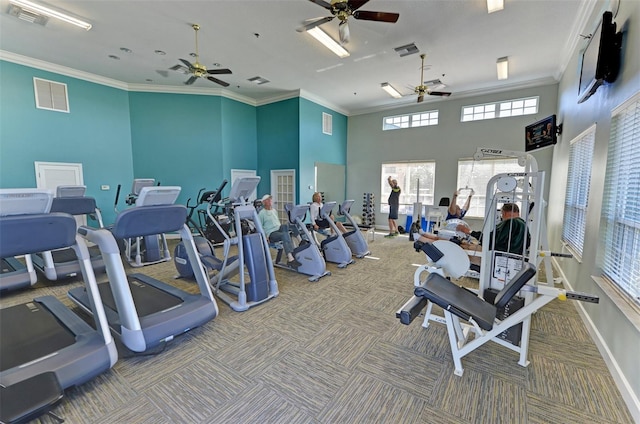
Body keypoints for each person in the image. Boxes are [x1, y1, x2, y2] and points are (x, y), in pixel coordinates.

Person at [257, 194, 302, 268]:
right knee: (285, 235)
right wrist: (265, 236)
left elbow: (277, 222)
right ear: (264, 203)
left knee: (289, 226)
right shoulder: (262, 213)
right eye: (268, 200)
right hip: (271, 233)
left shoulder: (274, 210)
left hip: (279, 229)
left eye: (270, 199)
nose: (270, 201)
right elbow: (259, 227)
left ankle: (301, 242)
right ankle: (290, 259)